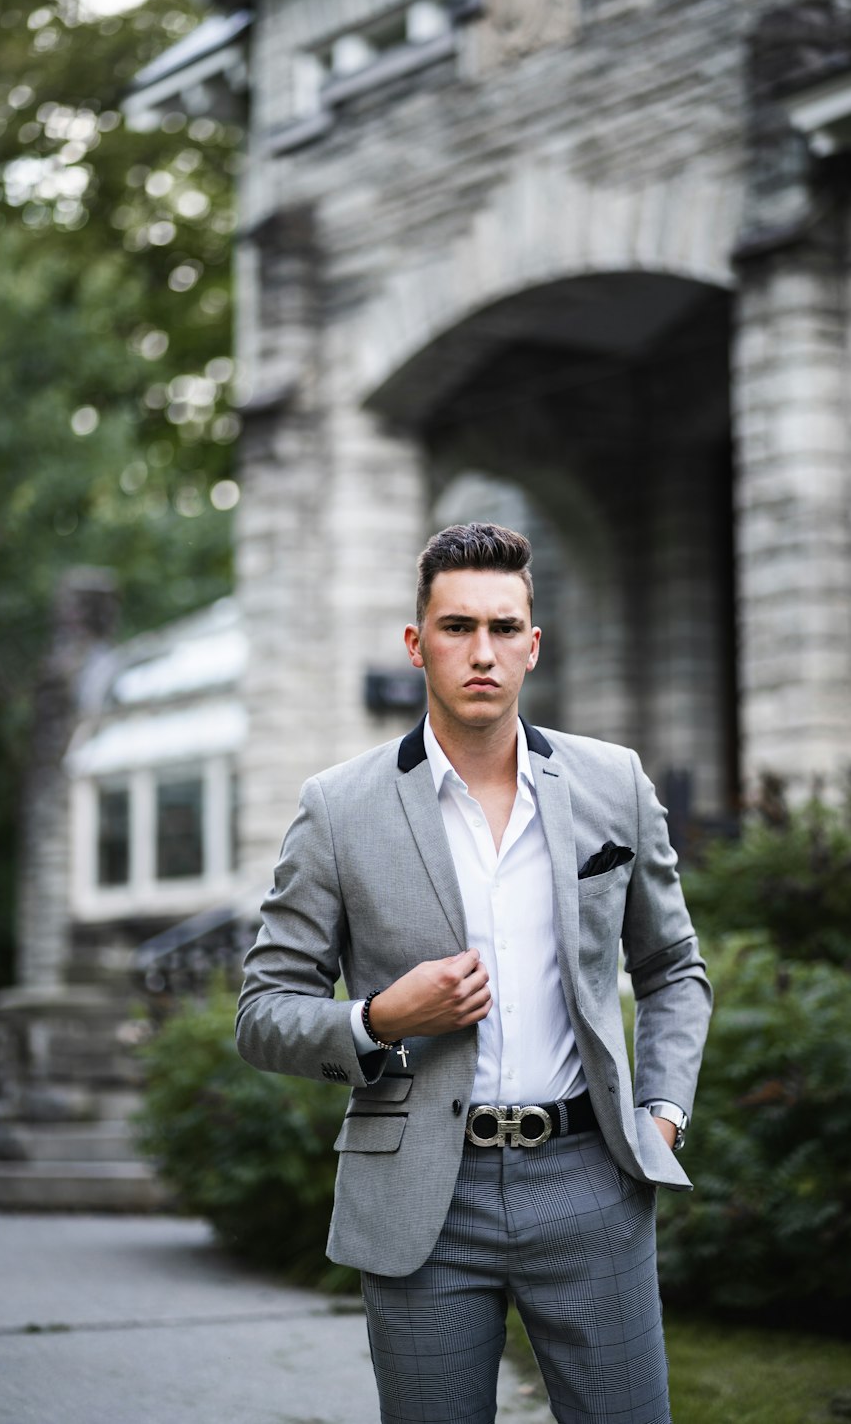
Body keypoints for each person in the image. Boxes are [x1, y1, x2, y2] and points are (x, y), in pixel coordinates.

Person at [236, 521, 712, 1424]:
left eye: (503, 628)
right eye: (457, 628)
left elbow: (673, 966)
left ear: (534, 645)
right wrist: (378, 1019)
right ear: (418, 646)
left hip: (593, 1181)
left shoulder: (613, 785)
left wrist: (663, 1112)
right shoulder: (339, 808)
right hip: (423, 1200)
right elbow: (263, 1011)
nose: (481, 652)